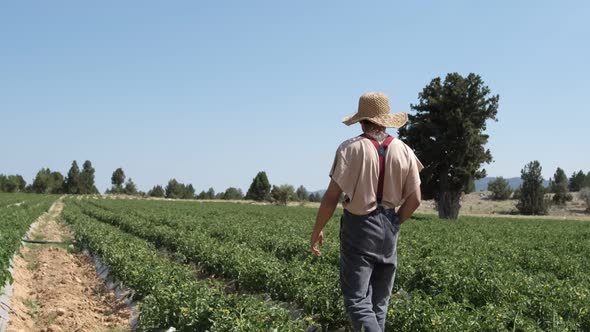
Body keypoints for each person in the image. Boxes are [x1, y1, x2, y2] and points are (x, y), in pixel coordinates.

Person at [310, 92, 423, 332]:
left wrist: (317, 229)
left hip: (359, 227)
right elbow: (415, 200)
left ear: (362, 120)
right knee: (379, 304)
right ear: (385, 120)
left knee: (358, 300)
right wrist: (394, 223)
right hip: (389, 227)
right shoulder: (404, 150)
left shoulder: (351, 149)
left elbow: (331, 197)